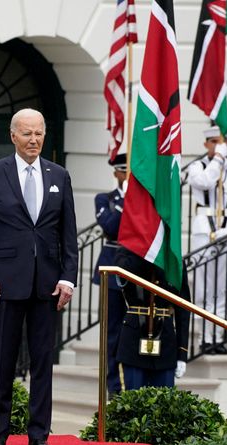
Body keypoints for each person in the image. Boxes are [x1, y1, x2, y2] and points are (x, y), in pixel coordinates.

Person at [0, 108, 78, 445]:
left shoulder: (59, 175)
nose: (34, 140)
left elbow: (69, 235)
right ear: (13, 135)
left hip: (47, 286)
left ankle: (38, 437)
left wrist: (68, 278)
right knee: (2, 363)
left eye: (39, 133)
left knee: (43, 362)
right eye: (27, 133)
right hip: (4, 285)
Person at [186, 125, 227, 354]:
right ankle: (205, 337)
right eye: (212, 142)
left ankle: (218, 336)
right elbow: (204, 182)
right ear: (206, 144)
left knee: (223, 288)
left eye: (220, 141)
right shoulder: (197, 167)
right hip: (204, 229)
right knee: (204, 287)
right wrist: (219, 159)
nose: (216, 145)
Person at [114, 246, 189, 390]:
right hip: (133, 341)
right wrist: (148, 250)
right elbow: (125, 270)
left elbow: (183, 308)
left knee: (163, 407)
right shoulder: (126, 251)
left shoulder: (173, 258)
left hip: (165, 341)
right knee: (132, 404)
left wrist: (182, 353)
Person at [92, 153, 128, 396]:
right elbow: (111, 227)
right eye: (123, 171)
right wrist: (125, 200)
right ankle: (113, 385)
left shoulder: (144, 198)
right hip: (112, 267)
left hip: (137, 269)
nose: (127, 175)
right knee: (112, 331)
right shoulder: (104, 199)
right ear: (116, 173)